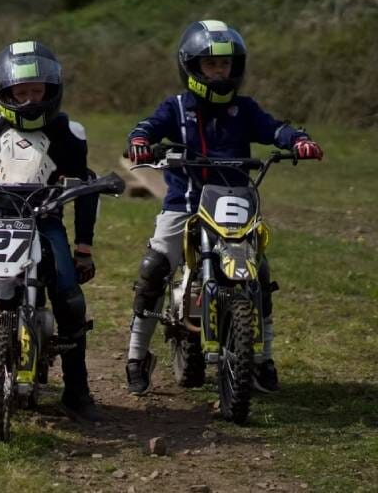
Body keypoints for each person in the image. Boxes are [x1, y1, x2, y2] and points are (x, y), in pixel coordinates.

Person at [124, 20, 324, 395]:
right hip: (184, 204)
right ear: (191, 68)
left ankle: (262, 358)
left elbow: (274, 130)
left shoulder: (244, 109)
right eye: (210, 64)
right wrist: (139, 139)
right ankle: (137, 354)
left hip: (234, 204)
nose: (219, 71)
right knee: (156, 265)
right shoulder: (176, 107)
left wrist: (298, 140)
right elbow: (148, 127)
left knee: (259, 271)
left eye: (225, 65)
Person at [0, 40, 103, 422]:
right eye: (22, 92)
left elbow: (84, 188)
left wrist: (83, 246)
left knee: (67, 293)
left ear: (52, 90)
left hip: (45, 223)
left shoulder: (69, 132)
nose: (30, 100)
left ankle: (77, 389)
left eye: (37, 91)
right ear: (5, 92)